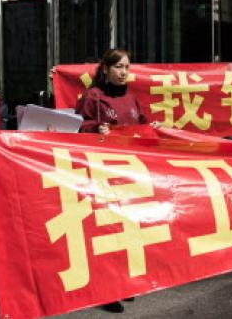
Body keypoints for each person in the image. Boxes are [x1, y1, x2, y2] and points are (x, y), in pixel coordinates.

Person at [74, 48, 144, 313]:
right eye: (119, 67)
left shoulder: (133, 98)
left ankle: (123, 283)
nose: (124, 72)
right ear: (106, 69)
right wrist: (95, 128)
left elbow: (143, 126)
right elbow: (77, 126)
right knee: (105, 230)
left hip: (129, 172)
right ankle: (104, 290)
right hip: (101, 172)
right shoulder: (93, 96)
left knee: (127, 229)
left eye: (127, 67)